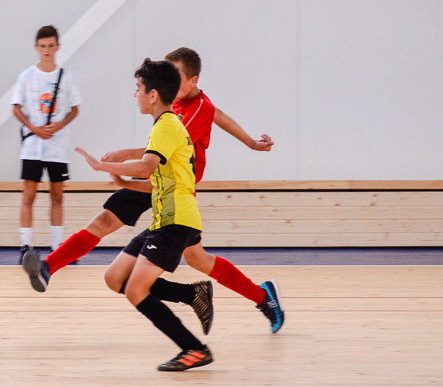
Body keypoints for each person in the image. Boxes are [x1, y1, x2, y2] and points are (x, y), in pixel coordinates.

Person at [23, 47, 284, 335]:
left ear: (193, 81)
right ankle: (48, 266)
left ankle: (261, 297)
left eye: (175, 75)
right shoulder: (180, 104)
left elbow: (159, 152)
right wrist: (249, 141)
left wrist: (123, 156)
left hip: (173, 188)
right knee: (105, 221)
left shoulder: (196, 108)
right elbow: (217, 115)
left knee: (197, 259)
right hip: (158, 179)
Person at [77, 58, 210, 370]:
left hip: (177, 222)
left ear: (152, 95)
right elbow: (159, 184)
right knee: (115, 278)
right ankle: (192, 294)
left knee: (136, 290)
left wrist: (104, 165)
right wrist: (124, 182)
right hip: (164, 219)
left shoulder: (167, 125)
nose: (135, 94)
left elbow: (147, 167)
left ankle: (194, 348)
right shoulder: (163, 127)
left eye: (137, 89)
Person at [11, 25, 82, 261]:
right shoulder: (26, 76)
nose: (47, 50)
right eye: (43, 46)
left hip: (57, 147)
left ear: (58, 47)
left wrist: (59, 126)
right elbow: (16, 107)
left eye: (51, 46)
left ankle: (57, 246)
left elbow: (74, 109)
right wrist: (33, 128)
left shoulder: (66, 77)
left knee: (57, 195)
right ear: (36, 48)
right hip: (32, 146)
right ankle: (25, 246)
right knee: (28, 195)